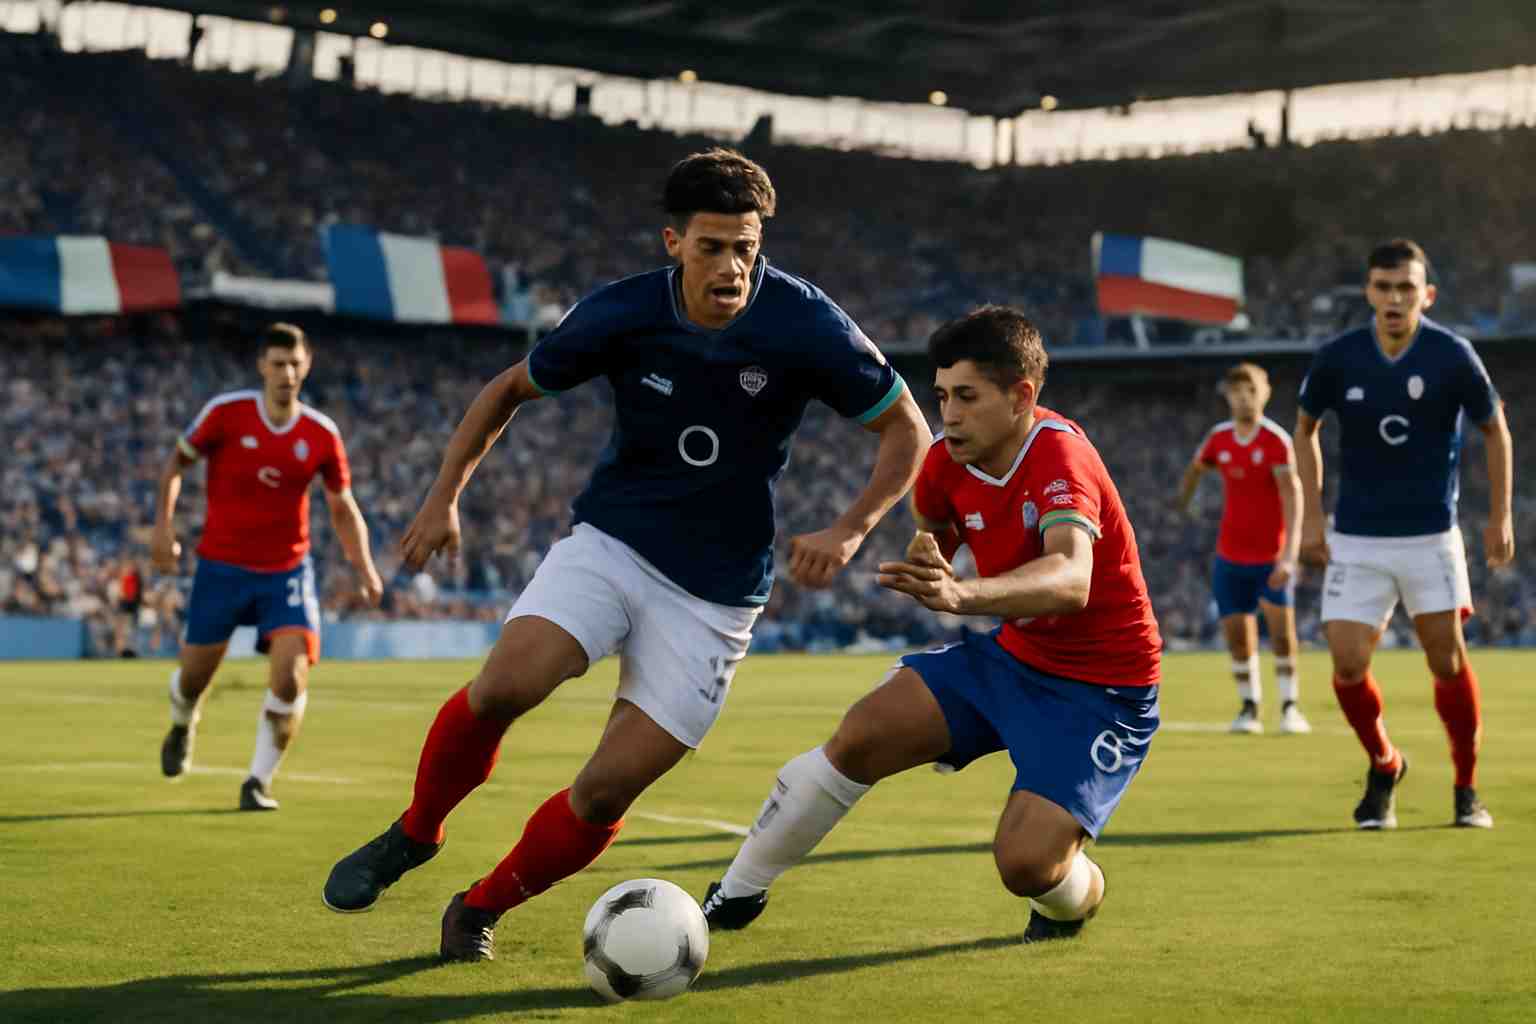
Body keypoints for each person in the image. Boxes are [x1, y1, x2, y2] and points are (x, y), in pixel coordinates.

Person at [321, 148, 931, 962]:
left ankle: (479, 907)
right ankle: (416, 832)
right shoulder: (620, 312)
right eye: (712, 246)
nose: (732, 266)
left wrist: (851, 527)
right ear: (672, 242)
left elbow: (908, 429)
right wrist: (443, 497)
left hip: (717, 597)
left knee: (607, 788)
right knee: (506, 684)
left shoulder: (805, 322)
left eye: (746, 247)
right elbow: (507, 390)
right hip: (612, 543)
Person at [700, 306, 1161, 943]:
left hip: (1102, 689)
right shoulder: (945, 462)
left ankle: (1077, 896)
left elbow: (1072, 579)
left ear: (1022, 395)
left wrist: (959, 591)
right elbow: (935, 533)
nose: (948, 412)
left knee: (1027, 865)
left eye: (967, 396)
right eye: (941, 395)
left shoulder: (1059, 456)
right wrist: (928, 558)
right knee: (863, 733)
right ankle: (736, 894)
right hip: (1012, 656)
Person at [1294, 239, 1514, 830]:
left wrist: (1501, 515)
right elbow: (1305, 427)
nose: (1394, 298)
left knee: (1446, 662)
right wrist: (1313, 517)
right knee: (1345, 661)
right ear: (1368, 291)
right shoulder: (1339, 356)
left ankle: (1467, 788)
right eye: (1383, 287)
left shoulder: (1452, 354)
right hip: (1358, 537)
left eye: (1406, 288)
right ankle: (1385, 762)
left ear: (1427, 294)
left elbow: (1496, 429)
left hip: (1430, 535)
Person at [151, 323, 383, 811]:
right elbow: (175, 465)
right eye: (278, 364)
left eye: (295, 364)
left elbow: (342, 506)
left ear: (307, 365)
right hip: (221, 567)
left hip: (286, 572)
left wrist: (364, 567)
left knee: (291, 678)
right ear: (262, 366)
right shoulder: (226, 414)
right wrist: (163, 526)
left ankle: (257, 781)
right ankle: (183, 719)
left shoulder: (321, 434)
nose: (287, 373)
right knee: (193, 678)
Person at [1177, 363, 1310, 735]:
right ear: (1228, 396)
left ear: (1264, 393)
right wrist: (1186, 500)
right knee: (1238, 633)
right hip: (1230, 556)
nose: (1243, 398)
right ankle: (1249, 707)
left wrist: (1289, 554)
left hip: (1271, 557)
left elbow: (1292, 496)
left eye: (1250, 390)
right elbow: (1195, 470)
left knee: (1282, 634)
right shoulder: (1218, 438)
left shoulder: (1275, 441)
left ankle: (1290, 707)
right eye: (1236, 392)